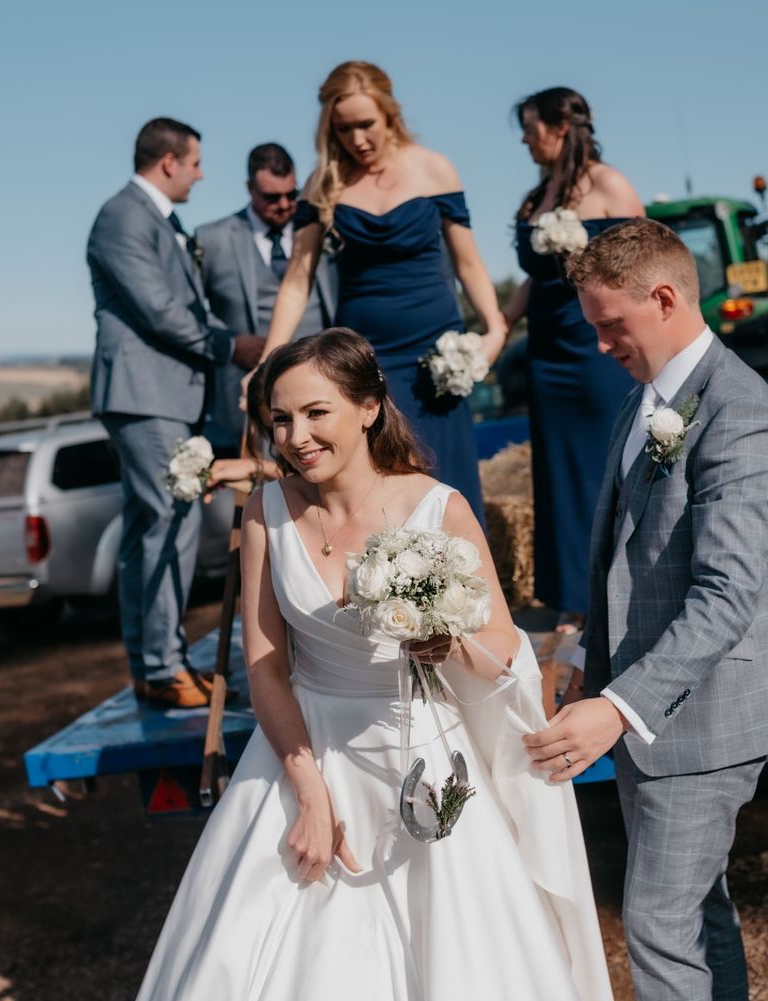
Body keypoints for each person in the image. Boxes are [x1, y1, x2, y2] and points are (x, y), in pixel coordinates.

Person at [138, 329, 611, 1001]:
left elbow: (504, 646)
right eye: (280, 419)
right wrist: (309, 793)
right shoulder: (265, 512)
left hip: (421, 750)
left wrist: (449, 641)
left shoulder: (438, 506)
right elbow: (266, 669)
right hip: (305, 746)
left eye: (316, 412)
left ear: (367, 407)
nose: (296, 436)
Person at [523, 220, 768, 1001]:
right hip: (654, 713)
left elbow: (726, 594)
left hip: (704, 717)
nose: (601, 343)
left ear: (667, 299)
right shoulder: (644, 400)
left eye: (612, 324)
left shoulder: (739, 413)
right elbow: (622, 555)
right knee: (698, 910)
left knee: (656, 923)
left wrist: (619, 707)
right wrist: (587, 662)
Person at [258, 61, 508, 523]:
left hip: (436, 357)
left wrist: (495, 328)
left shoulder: (434, 169)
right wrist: (268, 358)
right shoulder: (324, 183)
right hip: (365, 359)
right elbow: (296, 280)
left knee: (444, 477)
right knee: (380, 480)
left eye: (366, 124)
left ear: (390, 113)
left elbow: (468, 262)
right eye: (344, 128)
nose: (357, 140)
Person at [87, 117, 265, 709]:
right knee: (170, 521)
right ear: (169, 162)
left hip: (164, 396)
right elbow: (159, 310)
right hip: (143, 394)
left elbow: (183, 305)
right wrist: (230, 347)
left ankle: (157, 664)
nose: (201, 174)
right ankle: (162, 670)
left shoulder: (160, 220)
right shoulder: (124, 217)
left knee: (150, 528)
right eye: (195, 163)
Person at [503, 86, 645, 636]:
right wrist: (500, 327)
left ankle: (622, 589)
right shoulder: (538, 195)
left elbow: (643, 263)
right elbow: (534, 279)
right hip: (547, 354)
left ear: (559, 127)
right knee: (559, 473)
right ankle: (575, 597)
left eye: (529, 129)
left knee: (604, 467)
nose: (524, 140)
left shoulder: (610, 185)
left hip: (594, 348)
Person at [194, 143, 335, 551]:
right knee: (261, 511)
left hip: (320, 388)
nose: (285, 205)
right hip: (247, 397)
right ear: (249, 189)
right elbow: (192, 312)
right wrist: (231, 344)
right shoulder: (211, 239)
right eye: (272, 197)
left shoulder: (322, 230)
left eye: (291, 194)